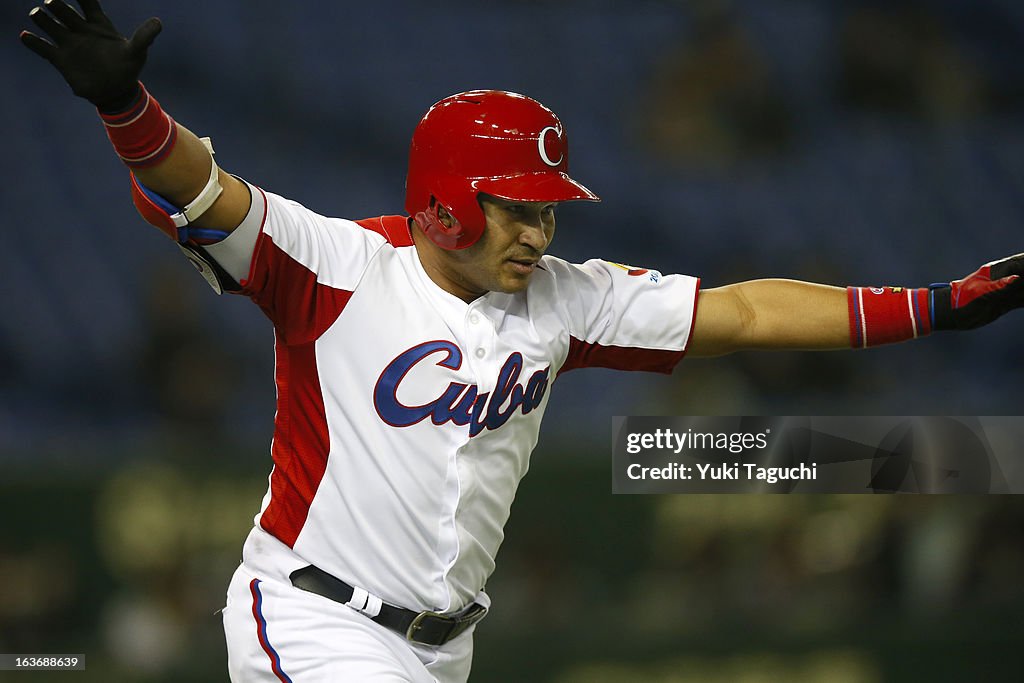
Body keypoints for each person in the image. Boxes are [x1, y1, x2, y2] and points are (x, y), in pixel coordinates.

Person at [19, 1, 1024, 681]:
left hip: (444, 646)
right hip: (315, 617)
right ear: (447, 202)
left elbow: (748, 312)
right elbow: (199, 188)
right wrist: (126, 107)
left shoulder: (564, 297)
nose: (539, 232)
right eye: (515, 209)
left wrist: (931, 304)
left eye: (548, 210)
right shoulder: (336, 266)